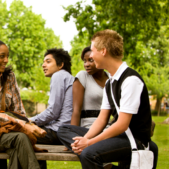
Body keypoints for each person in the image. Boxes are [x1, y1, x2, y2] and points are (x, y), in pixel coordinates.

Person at [57, 29, 158, 169]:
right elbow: (102, 119)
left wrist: (89, 143)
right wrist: (86, 139)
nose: (91, 55)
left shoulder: (131, 80)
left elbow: (122, 124)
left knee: (89, 154)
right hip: (118, 135)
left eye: (92, 51)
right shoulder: (110, 83)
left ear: (103, 51)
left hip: (134, 139)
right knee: (64, 130)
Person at [0, 39, 46, 169]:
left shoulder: (10, 77)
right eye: (2, 56)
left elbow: (19, 111)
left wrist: (26, 124)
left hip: (11, 131)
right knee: (21, 139)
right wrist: (22, 124)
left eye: (7, 56)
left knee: (18, 147)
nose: (6, 60)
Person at [28, 48, 74, 167]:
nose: (43, 65)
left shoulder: (59, 75)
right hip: (63, 130)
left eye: (48, 61)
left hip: (58, 131)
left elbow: (53, 112)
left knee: (21, 135)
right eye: (43, 62)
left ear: (60, 65)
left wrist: (29, 120)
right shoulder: (68, 77)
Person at [71, 46, 109, 128]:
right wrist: (73, 134)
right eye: (84, 61)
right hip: (87, 127)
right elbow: (76, 111)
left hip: (107, 127)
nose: (86, 65)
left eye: (90, 60)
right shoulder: (82, 76)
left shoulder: (111, 78)